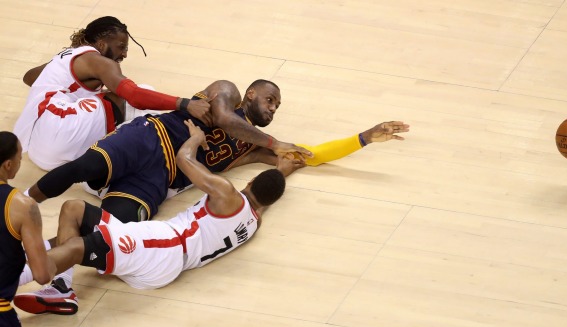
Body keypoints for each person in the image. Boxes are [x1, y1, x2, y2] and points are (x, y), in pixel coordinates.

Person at [13, 120, 304, 316]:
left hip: (163, 246)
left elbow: (183, 160)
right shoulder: (254, 221)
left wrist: (195, 138)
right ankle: (61, 288)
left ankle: (11, 279)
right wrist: (283, 169)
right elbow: (262, 198)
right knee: (74, 209)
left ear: (250, 183)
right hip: (165, 255)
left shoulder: (228, 194)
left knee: (77, 248)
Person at [25, 78, 405, 222]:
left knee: (114, 227)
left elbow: (310, 155)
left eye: (277, 107)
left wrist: (365, 137)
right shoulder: (226, 92)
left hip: (162, 178)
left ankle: (54, 275)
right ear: (251, 94)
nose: (272, 108)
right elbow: (224, 119)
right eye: (270, 99)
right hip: (149, 138)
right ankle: (21, 201)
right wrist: (274, 143)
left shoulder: (251, 148)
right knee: (81, 167)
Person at [14, 16, 220, 171]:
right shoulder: (100, 62)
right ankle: (186, 128)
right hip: (60, 135)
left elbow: (28, 77)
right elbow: (133, 95)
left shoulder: (67, 55)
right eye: (121, 47)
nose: (124, 54)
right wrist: (184, 103)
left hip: (38, 148)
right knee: (131, 96)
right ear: (102, 44)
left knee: (113, 98)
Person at [0, 132, 56, 327]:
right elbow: (42, 274)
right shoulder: (22, 205)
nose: (20, 163)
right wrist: (56, 261)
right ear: (8, 164)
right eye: (20, 158)